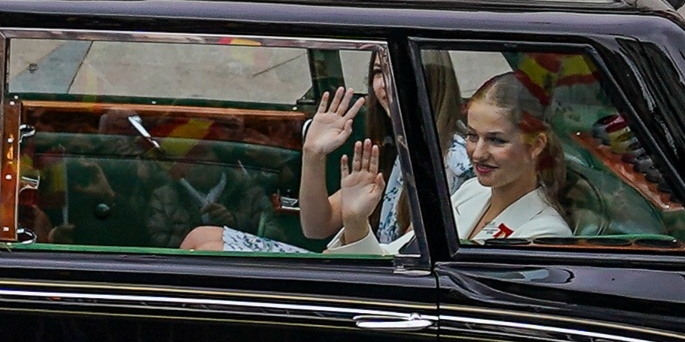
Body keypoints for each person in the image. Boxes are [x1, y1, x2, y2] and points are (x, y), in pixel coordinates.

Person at [181, 79, 416, 255]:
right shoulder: (392, 149)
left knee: (206, 251)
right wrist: (312, 153)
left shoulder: (450, 159)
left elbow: (402, 263)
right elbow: (316, 226)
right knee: (199, 237)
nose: (384, 84)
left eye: (392, 71)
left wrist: (355, 222)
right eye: (378, 71)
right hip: (351, 262)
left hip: (364, 283)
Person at [449, 74, 571, 242]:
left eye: (496, 140)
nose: (478, 154)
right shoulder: (470, 191)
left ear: (536, 145)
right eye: (472, 135)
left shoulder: (545, 233)